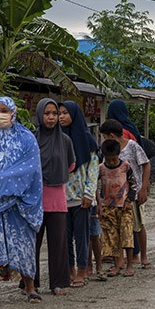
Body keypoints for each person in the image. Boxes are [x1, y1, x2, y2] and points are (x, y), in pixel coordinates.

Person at [0, 97, 43, 304]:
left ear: (13, 112)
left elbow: (31, 168)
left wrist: (0, 179)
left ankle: (30, 288)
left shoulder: (26, 138)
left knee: (23, 246)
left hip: (19, 203)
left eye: (4, 110)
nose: (0, 114)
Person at [29, 98, 75, 296]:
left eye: (54, 114)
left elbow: (71, 165)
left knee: (58, 244)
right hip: (35, 200)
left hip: (56, 198)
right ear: (40, 114)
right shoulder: (31, 139)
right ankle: (30, 283)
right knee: (33, 244)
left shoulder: (65, 141)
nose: (51, 117)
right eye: (47, 113)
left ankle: (58, 283)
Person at [99, 118, 151, 270]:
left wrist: (143, 188)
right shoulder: (108, 150)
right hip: (114, 197)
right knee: (118, 227)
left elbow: (146, 164)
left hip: (132, 194)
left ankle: (144, 256)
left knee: (138, 225)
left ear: (112, 136)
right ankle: (120, 261)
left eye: (105, 137)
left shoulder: (132, 146)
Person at [59, 101, 99, 287]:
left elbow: (93, 170)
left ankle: (82, 270)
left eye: (66, 113)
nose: (61, 117)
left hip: (81, 198)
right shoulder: (56, 139)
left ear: (74, 115)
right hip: (60, 198)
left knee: (82, 237)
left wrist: (89, 194)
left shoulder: (87, 140)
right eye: (59, 113)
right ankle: (69, 270)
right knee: (64, 238)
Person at [98, 138, 138, 277]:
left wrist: (130, 200)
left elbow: (133, 184)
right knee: (111, 237)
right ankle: (116, 265)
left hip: (124, 206)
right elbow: (95, 186)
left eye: (113, 160)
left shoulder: (125, 166)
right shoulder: (101, 168)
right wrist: (99, 203)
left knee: (127, 235)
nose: (111, 162)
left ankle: (129, 265)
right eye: (108, 160)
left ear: (119, 155)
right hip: (108, 207)